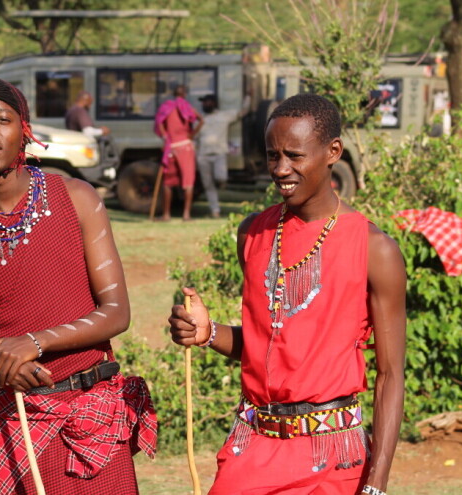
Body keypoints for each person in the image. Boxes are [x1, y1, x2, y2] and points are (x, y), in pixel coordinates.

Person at [168, 93, 406, 495]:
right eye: (272, 156)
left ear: (333, 152)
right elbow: (269, 346)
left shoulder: (374, 249)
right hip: (252, 448)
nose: (280, 169)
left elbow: (390, 375)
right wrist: (207, 332)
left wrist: (376, 484)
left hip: (332, 457)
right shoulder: (253, 233)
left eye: (294, 156)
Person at [0, 77, 156, 494]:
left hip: (95, 417)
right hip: (13, 422)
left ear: (25, 131)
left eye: (3, 119)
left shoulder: (77, 198)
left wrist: (33, 342)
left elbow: (117, 312)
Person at [154, 84, 203, 221]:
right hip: (185, 146)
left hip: (171, 147)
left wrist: (165, 136)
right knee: (188, 182)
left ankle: (166, 214)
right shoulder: (187, 107)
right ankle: (186, 215)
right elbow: (201, 120)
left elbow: (159, 123)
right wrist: (192, 134)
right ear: (185, 94)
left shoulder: (167, 107)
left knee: (168, 182)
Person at [196, 94, 248, 218]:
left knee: (221, 177)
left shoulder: (224, 116)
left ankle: (221, 184)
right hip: (203, 155)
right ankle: (215, 211)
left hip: (219, 153)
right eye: (203, 102)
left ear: (213, 103)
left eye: (206, 102)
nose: (204, 105)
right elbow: (194, 137)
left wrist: (248, 97)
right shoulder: (200, 119)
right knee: (208, 185)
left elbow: (243, 112)